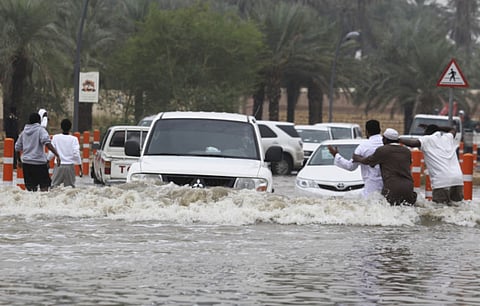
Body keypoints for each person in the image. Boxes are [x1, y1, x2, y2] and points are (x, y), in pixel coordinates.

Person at [399, 124, 463, 205]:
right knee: (458, 207)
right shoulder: (447, 138)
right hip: (457, 179)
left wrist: (398, 139)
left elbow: (412, 143)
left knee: (440, 209)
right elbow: (453, 129)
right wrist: (438, 127)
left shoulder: (426, 139)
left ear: (427, 133)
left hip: (441, 181)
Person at [353, 128, 417, 206]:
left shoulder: (383, 150)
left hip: (392, 188)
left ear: (386, 139)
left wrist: (357, 158)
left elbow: (369, 162)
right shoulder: (407, 151)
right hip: (408, 187)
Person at [327, 119, 384, 197]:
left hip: (371, 188)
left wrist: (336, 155)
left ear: (367, 131)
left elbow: (350, 166)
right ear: (380, 130)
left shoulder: (363, 147)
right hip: (388, 185)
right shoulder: (386, 144)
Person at [15, 112, 61, 191]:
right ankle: (42, 203)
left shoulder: (24, 132)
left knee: (30, 189)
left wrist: (19, 160)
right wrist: (57, 154)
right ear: (39, 121)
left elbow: (17, 147)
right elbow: (47, 143)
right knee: (44, 187)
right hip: (39, 163)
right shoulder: (40, 130)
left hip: (27, 164)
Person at [49, 119, 82, 188]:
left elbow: (51, 153)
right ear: (70, 128)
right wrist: (80, 167)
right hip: (69, 167)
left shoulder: (55, 138)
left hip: (58, 166)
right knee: (70, 189)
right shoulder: (74, 139)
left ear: (61, 127)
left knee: (54, 187)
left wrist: (47, 161)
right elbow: (76, 154)